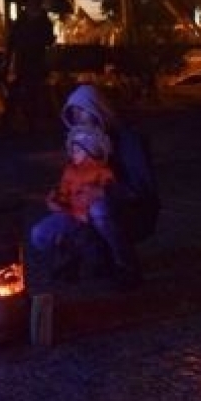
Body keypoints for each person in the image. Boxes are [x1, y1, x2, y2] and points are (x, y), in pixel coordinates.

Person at [59, 83, 160, 288]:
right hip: (100, 203)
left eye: (82, 111)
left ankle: (127, 268)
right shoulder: (84, 141)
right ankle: (92, 260)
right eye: (74, 113)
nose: (78, 119)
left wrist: (104, 191)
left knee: (99, 209)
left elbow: (141, 187)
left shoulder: (127, 140)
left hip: (134, 209)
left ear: (96, 109)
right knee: (64, 213)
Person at [30, 124, 116, 282]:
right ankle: (63, 264)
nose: (73, 153)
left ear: (89, 150)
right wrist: (56, 200)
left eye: (77, 150)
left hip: (88, 220)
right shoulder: (70, 171)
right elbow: (64, 194)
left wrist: (90, 201)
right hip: (69, 214)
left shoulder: (102, 172)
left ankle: (94, 266)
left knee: (86, 242)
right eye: (73, 150)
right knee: (39, 233)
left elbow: (107, 197)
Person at [3, 0, 55, 132]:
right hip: (24, 60)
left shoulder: (42, 21)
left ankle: (28, 121)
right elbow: (12, 40)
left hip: (34, 60)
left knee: (30, 91)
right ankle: (14, 120)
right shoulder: (24, 19)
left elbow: (48, 40)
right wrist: (8, 59)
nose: (28, 5)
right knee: (18, 90)